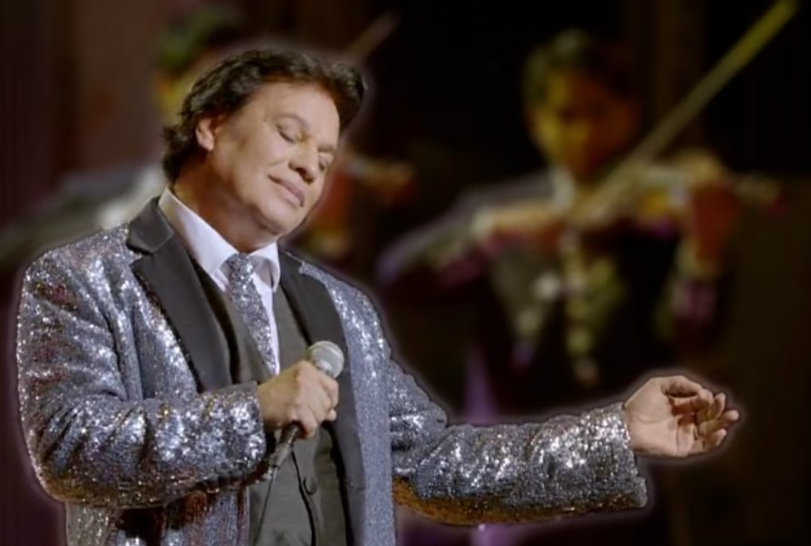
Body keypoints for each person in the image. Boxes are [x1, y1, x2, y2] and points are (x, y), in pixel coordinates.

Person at [15, 47, 738, 546]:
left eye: (326, 157)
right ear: (212, 124)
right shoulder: (87, 277)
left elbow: (437, 467)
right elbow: (70, 450)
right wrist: (252, 411)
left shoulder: (341, 308)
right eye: (290, 134)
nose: (310, 166)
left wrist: (617, 432)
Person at [378, 29, 743, 546]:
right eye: (567, 116)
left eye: (600, 113)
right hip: (514, 496)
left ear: (630, 114)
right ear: (536, 121)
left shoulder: (656, 225)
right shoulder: (501, 213)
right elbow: (399, 279)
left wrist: (704, 252)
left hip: (626, 498)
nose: (584, 134)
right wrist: (491, 235)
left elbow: (691, 333)